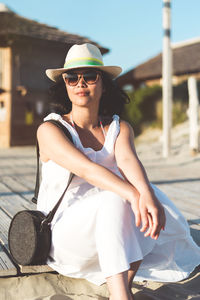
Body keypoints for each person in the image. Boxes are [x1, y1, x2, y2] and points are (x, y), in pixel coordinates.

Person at [37, 43, 200, 300]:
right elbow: (87, 169)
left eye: (89, 76)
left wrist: (144, 194)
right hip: (67, 235)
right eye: (72, 78)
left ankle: (121, 285)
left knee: (150, 195)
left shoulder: (118, 127)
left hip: (112, 232)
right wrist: (134, 196)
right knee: (120, 196)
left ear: (103, 84)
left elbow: (128, 160)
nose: (80, 83)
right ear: (65, 85)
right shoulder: (50, 130)